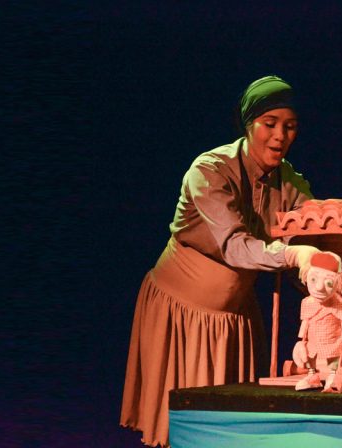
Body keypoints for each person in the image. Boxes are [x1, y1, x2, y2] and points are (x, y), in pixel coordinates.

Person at [120, 75, 321, 447]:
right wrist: (293, 254)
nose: (280, 136)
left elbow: (314, 237)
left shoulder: (291, 184)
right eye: (270, 124)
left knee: (229, 433)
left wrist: (325, 271)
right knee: (183, 431)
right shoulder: (210, 170)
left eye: (290, 126)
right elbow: (234, 246)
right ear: (249, 125)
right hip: (183, 315)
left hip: (235, 321)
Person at [292, 251, 342, 393]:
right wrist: (301, 339)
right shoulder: (307, 302)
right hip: (312, 338)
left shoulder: (339, 303)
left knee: (333, 356)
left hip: (332, 339)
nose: (319, 287)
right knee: (309, 354)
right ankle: (312, 376)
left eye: (329, 283)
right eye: (313, 279)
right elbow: (305, 321)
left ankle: (333, 375)